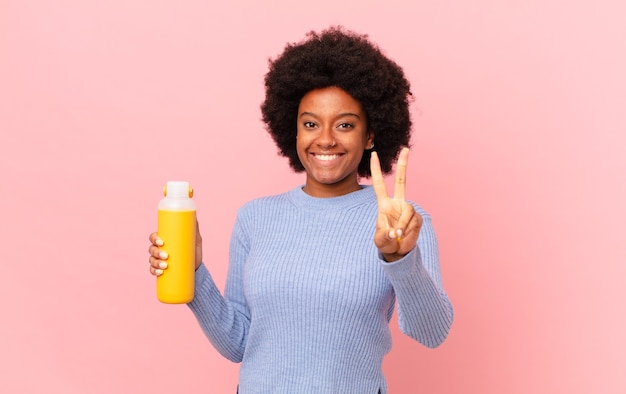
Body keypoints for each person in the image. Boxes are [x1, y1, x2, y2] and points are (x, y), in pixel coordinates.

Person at [148, 26, 453, 394]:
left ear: (370, 135)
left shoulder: (403, 221)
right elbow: (239, 343)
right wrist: (192, 271)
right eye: (310, 124)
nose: (325, 139)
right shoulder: (255, 218)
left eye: (344, 125)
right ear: (293, 131)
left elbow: (432, 333)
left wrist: (401, 259)